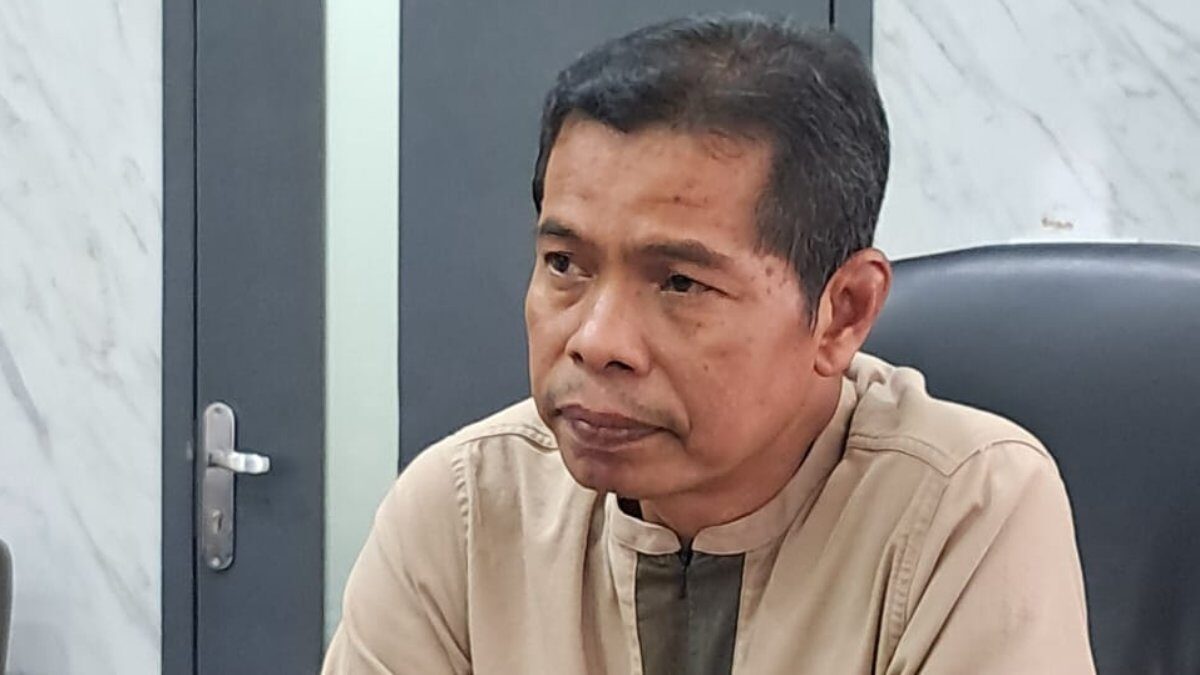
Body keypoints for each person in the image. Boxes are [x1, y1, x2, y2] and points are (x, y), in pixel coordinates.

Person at [323, 13, 1095, 674]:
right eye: (564, 264)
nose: (596, 340)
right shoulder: (462, 510)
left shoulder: (966, 506)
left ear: (843, 312)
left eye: (680, 283)